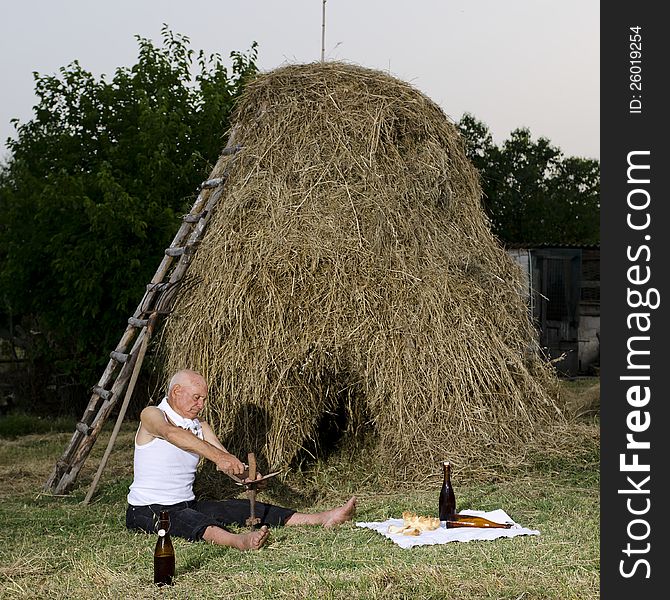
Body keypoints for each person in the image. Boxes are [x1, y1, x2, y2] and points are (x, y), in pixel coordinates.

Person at [126, 369, 357, 550]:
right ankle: (239, 541)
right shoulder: (153, 415)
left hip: (187, 502)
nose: (201, 405)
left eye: (204, 399)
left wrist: (248, 477)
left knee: (238, 507)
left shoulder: (200, 426)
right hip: (146, 509)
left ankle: (324, 517)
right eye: (196, 398)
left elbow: (226, 461)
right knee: (192, 521)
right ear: (176, 391)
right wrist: (218, 457)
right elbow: (172, 434)